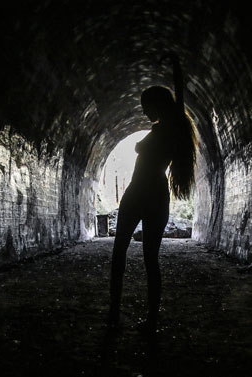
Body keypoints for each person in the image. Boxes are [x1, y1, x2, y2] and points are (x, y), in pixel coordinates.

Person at [108, 54, 197, 333]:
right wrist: (176, 72)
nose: (145, 113)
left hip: (137, 193)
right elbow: (178, 102)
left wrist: (177, 70)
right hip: (157, 195)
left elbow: (179, 99)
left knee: (120, 252)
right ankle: (151, 319)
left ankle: (114, 312)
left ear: (158, 104)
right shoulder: (173, 129)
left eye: (147, 107)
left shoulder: (170, 126)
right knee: (150, 259)